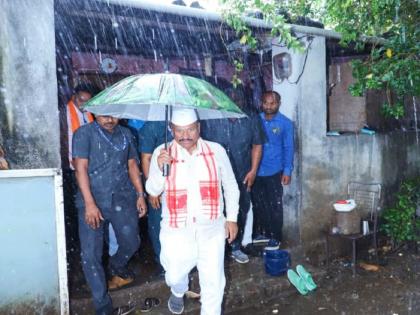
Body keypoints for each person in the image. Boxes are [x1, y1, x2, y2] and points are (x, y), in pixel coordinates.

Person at [146, 108, 239, 315]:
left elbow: (231, 185)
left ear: (199, 127)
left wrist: (232, 218)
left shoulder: (216, 151)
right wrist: (161, 169)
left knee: (214, 283)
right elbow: (152, 190)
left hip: (211, 227)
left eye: (190, 130)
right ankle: (178, 290)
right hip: (176, 229)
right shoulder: (161, 153)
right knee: (174, 274)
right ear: (171, 129)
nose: (185, 136)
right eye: (179, 131)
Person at [73, 115, 147, 315]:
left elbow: (132, 165)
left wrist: (140, 194)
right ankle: (103, 307)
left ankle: (115, 265)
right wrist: (89, 204)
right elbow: (81, 168)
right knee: (90, 254)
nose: (109, 119)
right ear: (96, 113)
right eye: (104, 115)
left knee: (132, 242)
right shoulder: (84, 134)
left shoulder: (127, 134)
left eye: (113, 115)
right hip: (93, 199)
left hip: (122, 197)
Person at [200, 88, 266, 263]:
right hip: (214, 176)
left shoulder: (251, 119)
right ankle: (217, 250)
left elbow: (257, 145)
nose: (234, 103)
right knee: (213, 212)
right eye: (230, 100)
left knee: (240, 209)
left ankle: (236, 247)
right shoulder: (210, 118)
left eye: (238, 99)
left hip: (241, 174)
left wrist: (253, 171)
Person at [252, 91, 294, 250]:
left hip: (275, 171)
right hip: (255, 170)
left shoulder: (286, 123)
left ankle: (276, 237)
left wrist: (287, 171)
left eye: (272, 103)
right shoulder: (255, 120)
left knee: (274, 205)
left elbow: (289, 148)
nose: (268, 106)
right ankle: (261, 233)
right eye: (266, 103)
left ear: (279, 103)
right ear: (261, 103)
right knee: (257, 204)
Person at [138, 121, 173, 275]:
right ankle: (163, 264)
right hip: (158, 184)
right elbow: (145, 158)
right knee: (158, 224)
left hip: (178, 185)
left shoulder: (185, 123)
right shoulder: (152, 127)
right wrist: (152, 190)